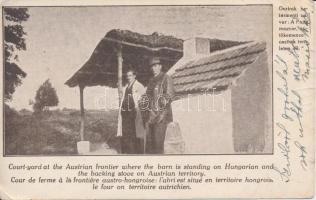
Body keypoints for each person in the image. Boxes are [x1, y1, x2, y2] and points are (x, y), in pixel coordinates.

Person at [140, 57, 175, 154]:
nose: (153, 68)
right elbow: (147, 96)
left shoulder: (166, 78)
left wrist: (157, 108)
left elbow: (169, 96)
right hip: (150, 116)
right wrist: (143, 103)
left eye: (155, 66)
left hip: (161, 116)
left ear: (160, 66)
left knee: (158, 145)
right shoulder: (151, 80)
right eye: (152, 66)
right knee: (149, 146)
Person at [117, 69, 146, 154]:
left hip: (133, 113)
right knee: (126, 133)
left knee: (134, 133)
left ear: (134, 76)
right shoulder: (126, 87)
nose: (128, 77)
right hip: (125, 114)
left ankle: (135, 152)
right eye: (127, 76)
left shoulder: (139, 86)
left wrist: (138, 109)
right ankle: (128, 151)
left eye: (130, 75)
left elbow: (143, 98)